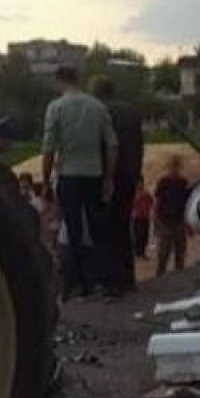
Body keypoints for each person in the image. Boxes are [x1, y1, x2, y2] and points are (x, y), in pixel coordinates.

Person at [42, 66, 118, 300]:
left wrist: (45, 180)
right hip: (94, 173)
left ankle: (77, 284)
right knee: (98, 228)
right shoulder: (97, 106)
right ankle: (103, 281)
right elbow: (112, 144)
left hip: (68, 175)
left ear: (59, 82)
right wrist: (108, 176)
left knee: (73, 229)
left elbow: (48, 148)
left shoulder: (56, 107)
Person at [92, 75, 144, 293]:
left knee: (106, 227)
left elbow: (103, 145)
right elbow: (139, 144)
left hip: (110, 174)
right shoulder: (131, 111)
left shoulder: (101, 112)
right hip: (130, 173)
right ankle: (128, 277)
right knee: (123, 224)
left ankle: (112, 282)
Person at [155, 155, 193, 277]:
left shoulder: (183, 183)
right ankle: (159, 278)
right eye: (172, 167)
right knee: (163, 254)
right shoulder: (163, 182)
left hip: (179, 221)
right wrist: (156, 222)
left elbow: (187, 204)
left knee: (180, 254)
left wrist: (188, 224)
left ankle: (178, 278)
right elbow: (158, 203)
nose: (174, 169)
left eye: (176, 167)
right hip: (165, 221)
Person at [131, 177, 154, 260]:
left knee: (145, 235)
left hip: (145, 217)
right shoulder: (133, 193)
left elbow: (151, 202)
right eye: (139, 183)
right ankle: (136, 253)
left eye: (141, 183)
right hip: (136, 218)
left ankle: (142, 252)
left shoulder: (146, 193)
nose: (140, 185)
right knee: (136, 236)